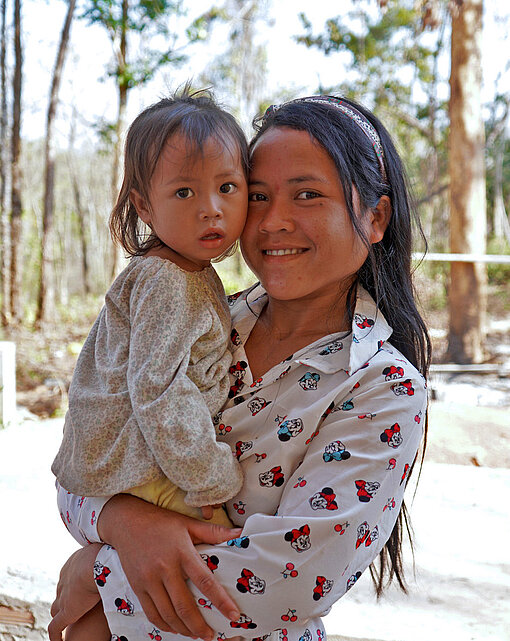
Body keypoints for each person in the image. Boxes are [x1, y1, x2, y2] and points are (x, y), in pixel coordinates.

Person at [49, 94, 431, 641]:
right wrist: (127, 524)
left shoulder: (380, 387)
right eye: (257, 195)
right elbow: (83, 455)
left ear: (375, 217)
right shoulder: (195, 320)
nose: (273, 221)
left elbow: (288, 583)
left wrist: (97, 571)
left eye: (307, 194)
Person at [51, 88, 250, 639]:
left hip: (119, 468)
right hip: (143, 474)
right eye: (184, 191)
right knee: (218, 557)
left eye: (227, 188)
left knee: (113, 603)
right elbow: (159, 390)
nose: (211, 208)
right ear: (144, 206)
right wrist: (215, 478)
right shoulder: (171, 282)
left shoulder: (180, 270)